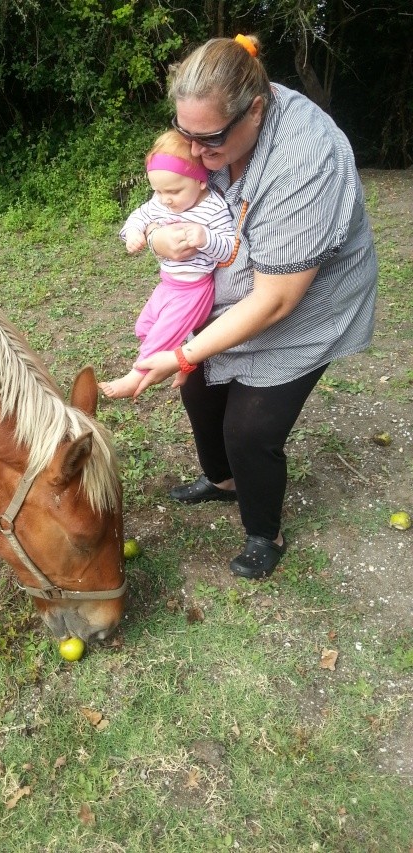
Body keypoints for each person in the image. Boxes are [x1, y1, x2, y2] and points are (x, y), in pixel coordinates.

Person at [131, 34, 377, 579]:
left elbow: (277, 299)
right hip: (243, 282)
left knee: (250, 428)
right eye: (186, 135)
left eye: (209, 140)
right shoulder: (208, 131)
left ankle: (265, 531)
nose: (195, 152)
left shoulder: (305, 159)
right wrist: (154, 239)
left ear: (256, 109)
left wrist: (185, 350)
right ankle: (222, 482)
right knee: (199, 384)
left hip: (308, 300)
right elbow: (163, 200)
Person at [98, 129, 235, 399]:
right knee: (145, 328)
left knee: (162, 334)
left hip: (194, 291)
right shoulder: (160, 202)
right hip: (167, 284)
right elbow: (137, 217)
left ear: (200, 182)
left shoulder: (213, 209)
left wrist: (205, 238)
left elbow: (229, 249)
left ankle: (135, 377)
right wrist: (135, 233)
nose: (165, 199)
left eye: (173, 191)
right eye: (157, 191)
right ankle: (183, 356)